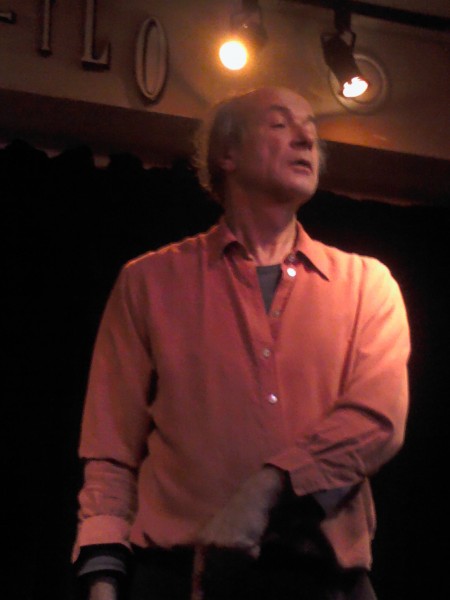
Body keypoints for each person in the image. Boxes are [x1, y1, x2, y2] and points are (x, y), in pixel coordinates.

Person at [73, 87, 410, 600]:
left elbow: (376, 419)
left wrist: (266, 488)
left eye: (312, 129)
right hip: (181, 578)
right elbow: (111, 449)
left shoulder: (368, 284)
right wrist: (103, 580)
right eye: (280, 123)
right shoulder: (148, 282)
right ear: (227, 154)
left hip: (322, 581)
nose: (307, 138)